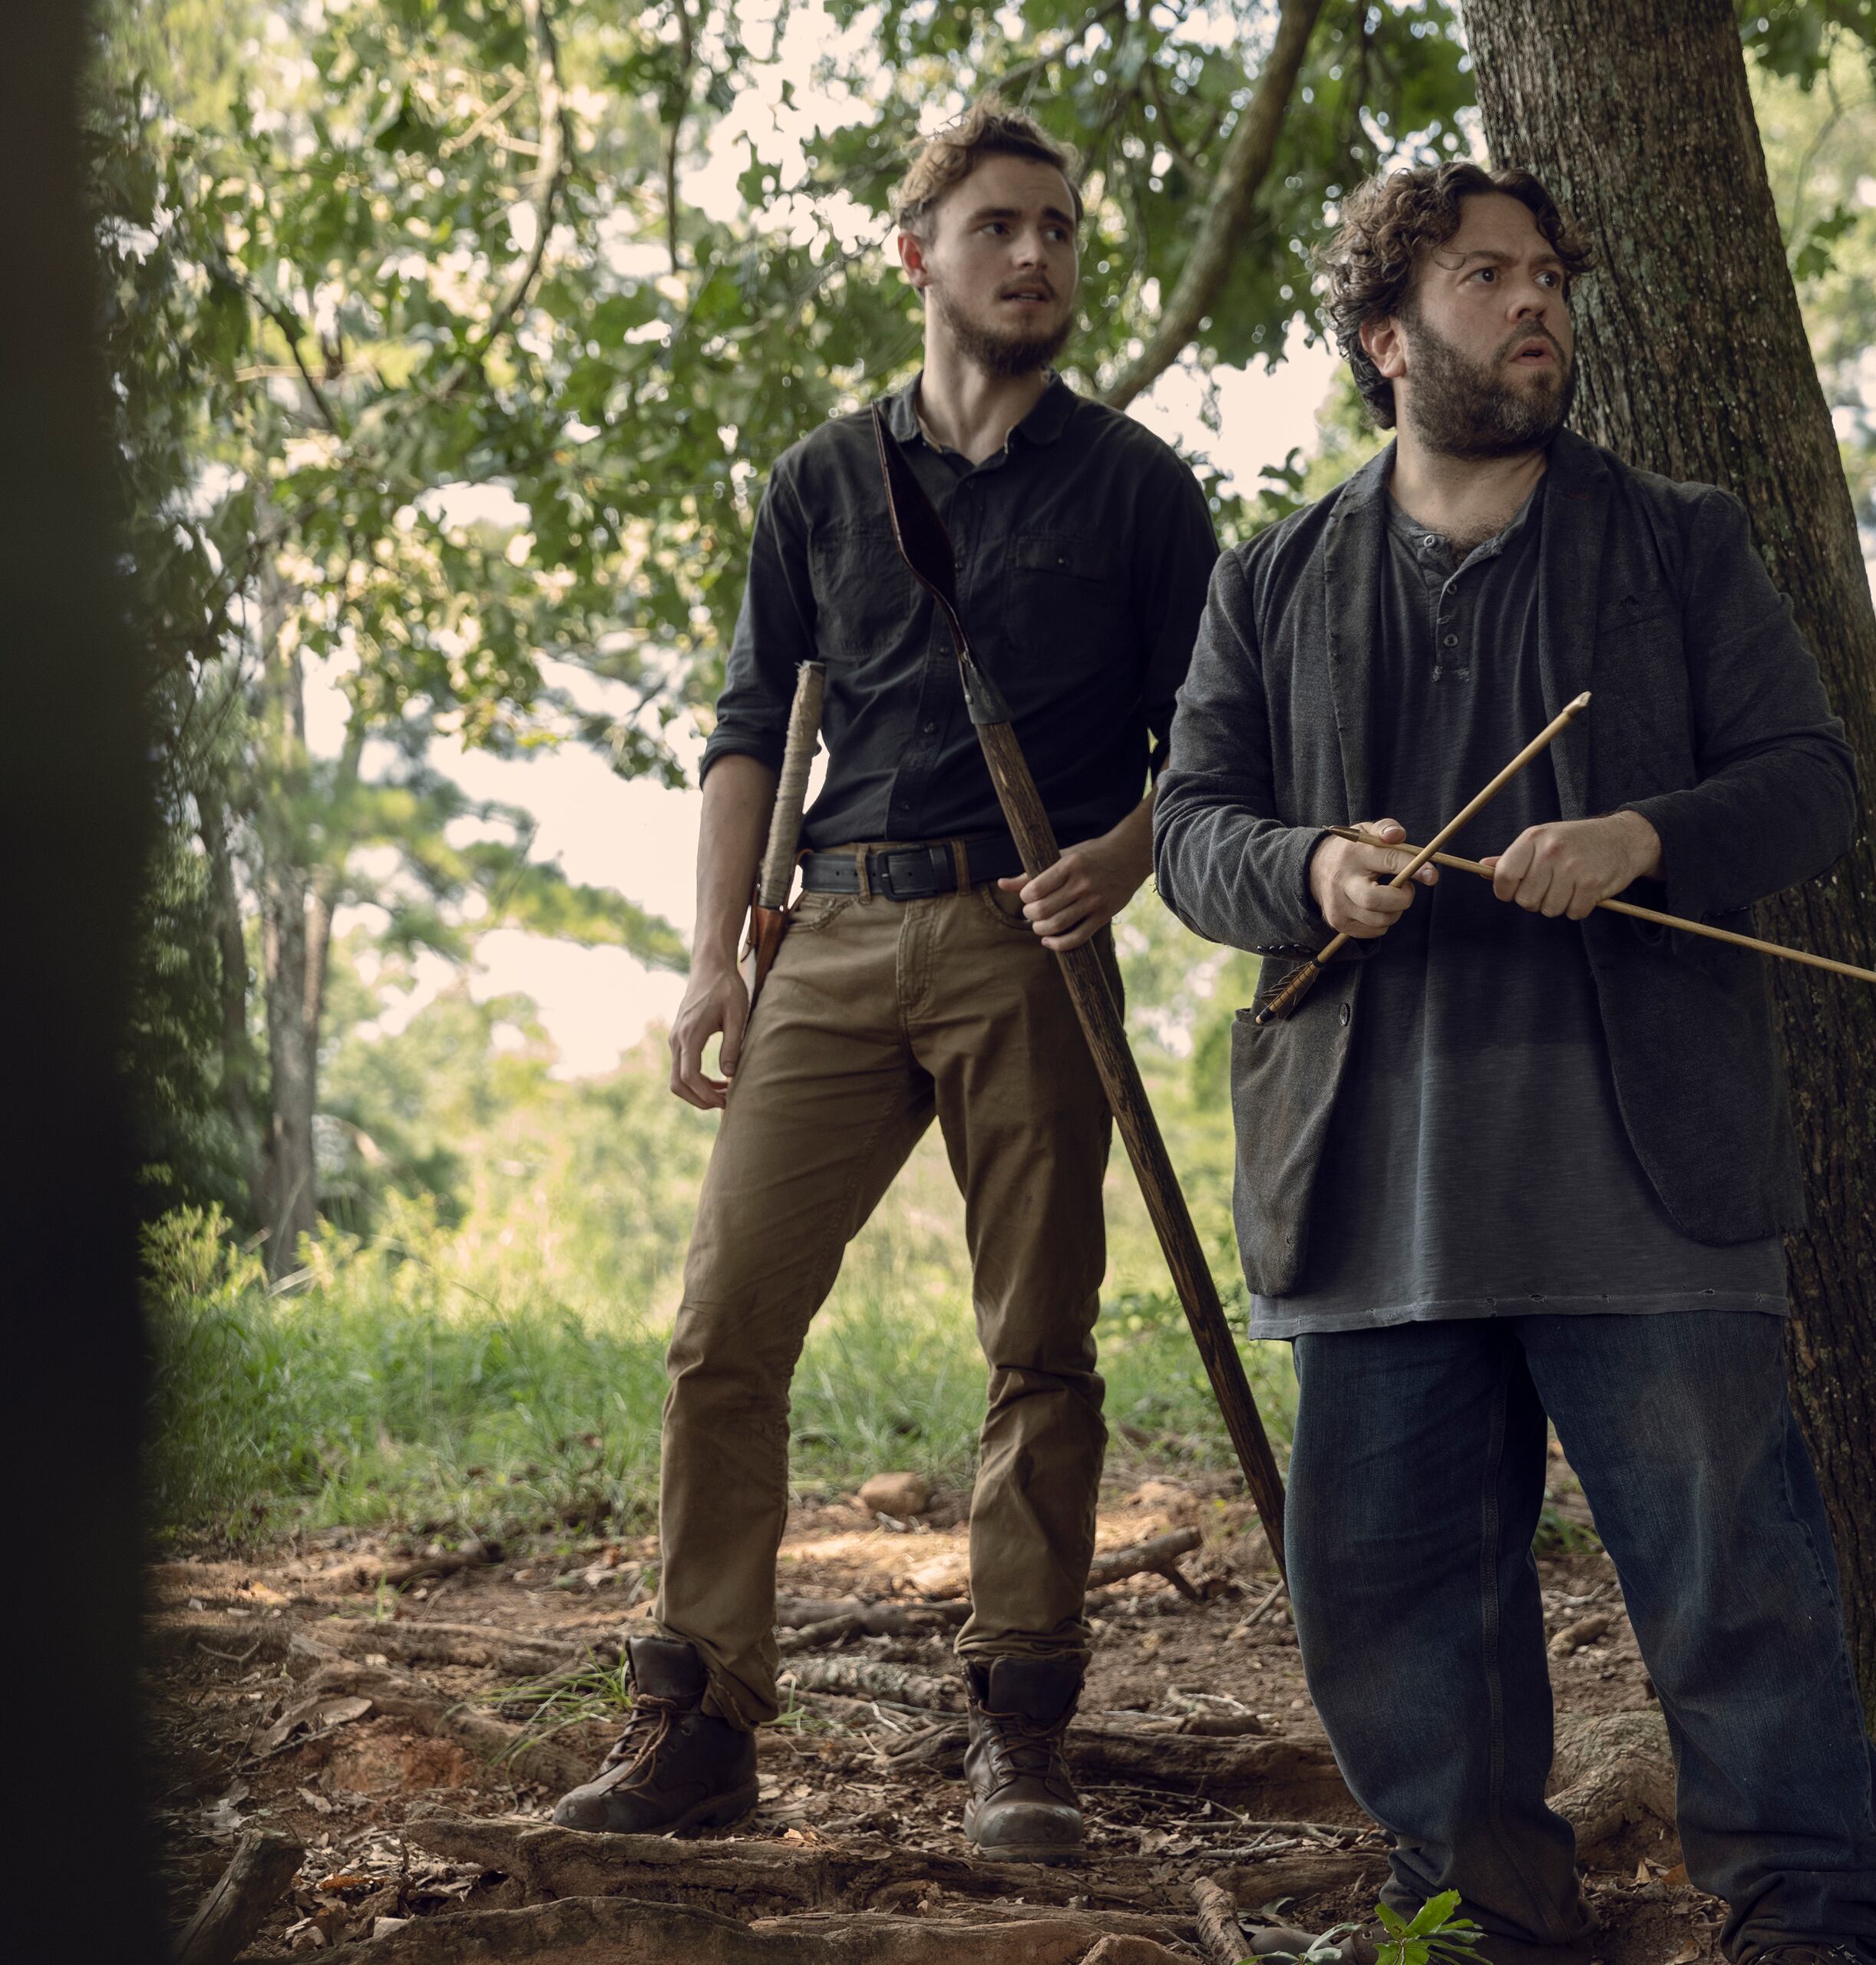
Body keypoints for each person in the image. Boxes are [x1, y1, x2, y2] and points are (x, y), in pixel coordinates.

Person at [1154, 162, 1876, 1965]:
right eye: (1486, 276)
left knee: (1739, 1594)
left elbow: (1814, 779)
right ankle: (1487, 1923)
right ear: (1384, 334)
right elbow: (1191, 826)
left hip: (1648, 1187)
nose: (1536, 303)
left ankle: (1811, 1921)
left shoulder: (1678, 539)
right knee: (1398, 1619)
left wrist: (1641, 833)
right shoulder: (1270, 579)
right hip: (1372, 1194)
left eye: (1549, 273)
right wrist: (1314, 868)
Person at [550, 101, 1217, 1861]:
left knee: (1039, 1347)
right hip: (830, 935)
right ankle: (698, 1722)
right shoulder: (820, 483)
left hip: (1030, 941)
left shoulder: (1142, 487)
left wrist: (1128, 856)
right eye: (1001, 225)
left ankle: (1021, 1730)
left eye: (1062, 229)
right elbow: (749, 725)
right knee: (721, 1332)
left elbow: (1218, 739)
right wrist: (715, 957)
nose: (1038, 255)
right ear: (917, 252)